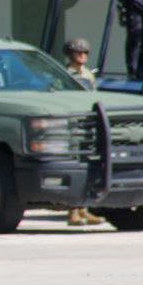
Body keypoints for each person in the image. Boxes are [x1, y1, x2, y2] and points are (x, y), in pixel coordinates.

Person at [62, 38, 104, 226]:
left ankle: (84, 209)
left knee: (89, 166)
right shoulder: (65, 73)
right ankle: (72, 212)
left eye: (85, 53)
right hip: (74, 123)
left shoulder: (88, 75)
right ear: (70, 55)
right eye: (78, 53)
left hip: (88, 122)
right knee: (75, 166)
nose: (82, 56)